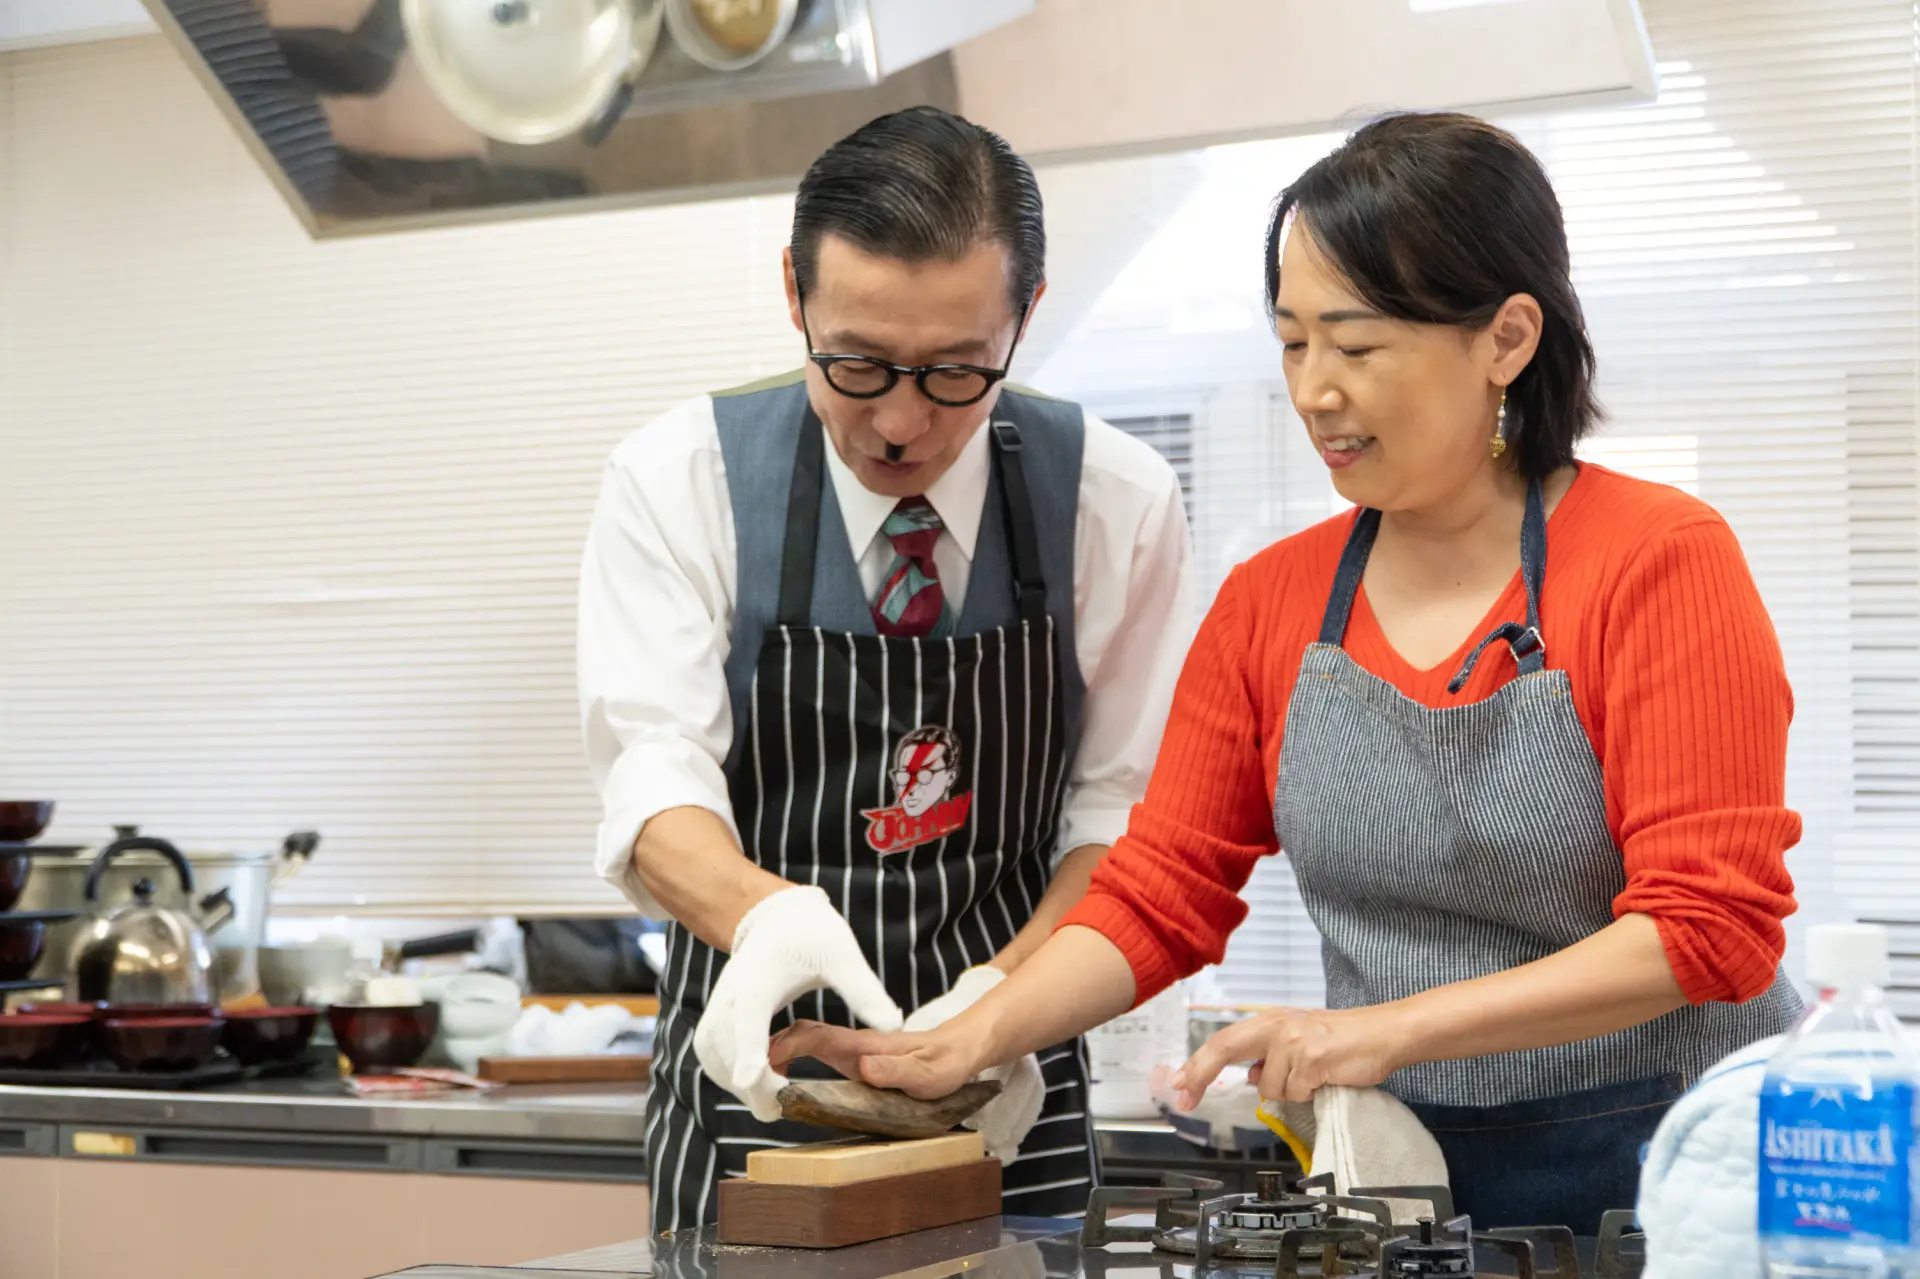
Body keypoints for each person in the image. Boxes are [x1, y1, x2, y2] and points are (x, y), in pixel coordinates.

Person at [772, 111, 1804, 1234]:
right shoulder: (1274, 599)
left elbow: (1710, 929)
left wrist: (1385, 1027)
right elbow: (1162, 889)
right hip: (1408, 1177)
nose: (1314, 390)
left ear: (1507, 338)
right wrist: (971, 1034)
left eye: (1356, 347)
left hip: (1686, 1170)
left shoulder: (1656, 561)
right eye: (1293, 342)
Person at [577, 105, 1193, 1231]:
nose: (902, 423)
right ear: (794, 294)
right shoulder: (677, 480)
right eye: (857, 364)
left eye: (958, 371)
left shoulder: (1118, 501)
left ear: (1026, 317)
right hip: (754, 1088)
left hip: (1012, 1096)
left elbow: (1122, 813)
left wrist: (1002, 1007)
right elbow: (654, 772)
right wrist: (769, 922)